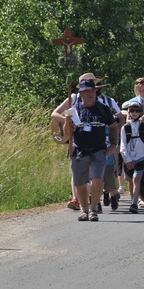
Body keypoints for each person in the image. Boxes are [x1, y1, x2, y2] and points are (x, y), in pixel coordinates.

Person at [52, 78, 119, 221]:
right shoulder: (74, 110)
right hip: (79, 150)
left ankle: (94, 208)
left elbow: (113, 127)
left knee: (97, 179)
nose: (91, 93)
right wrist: (67, 122)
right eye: (87, 91)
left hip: (99, 150)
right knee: (80, 182)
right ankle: (84, 209)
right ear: (80, 93)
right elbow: (68, 134)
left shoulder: (103, 109)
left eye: (93, 90)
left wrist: (114, 145)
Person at [120, 101, 144, 213]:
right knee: (131, 180)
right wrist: (127, 160)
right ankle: (133, 199)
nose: (134, 113)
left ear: (141, 112)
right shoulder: (125, 128)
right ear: (129, 112)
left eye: (137, 110)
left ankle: (135, 203)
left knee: (137, 178)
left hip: (141, 157)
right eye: (132, 110)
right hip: (129, 158)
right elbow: (123, 145)